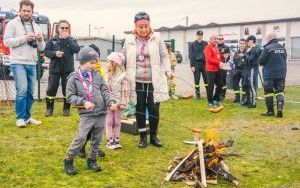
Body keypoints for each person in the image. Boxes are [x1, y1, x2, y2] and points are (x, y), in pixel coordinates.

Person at [122, 11, 173, 148]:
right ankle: (142, 137)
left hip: (154, 81)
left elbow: (164, 56)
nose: (143, 30)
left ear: (149, 25)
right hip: (136, 80)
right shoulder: (129, 40)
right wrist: (117, 71)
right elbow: (123, 57)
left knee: (154, 109)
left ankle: (154, 136)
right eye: (140, 27)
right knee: (139, 108)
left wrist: (168, 70)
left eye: (146, 26)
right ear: (135, 26)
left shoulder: (157, 37)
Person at [63, 46, 117, 175]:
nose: (95, 65)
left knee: (97, 140)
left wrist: (110, 101)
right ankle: (68, 159)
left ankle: (92, 160)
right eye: (92, 63)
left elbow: (105, 90)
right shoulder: (74, 77)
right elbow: (69, 97)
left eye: (96, 62)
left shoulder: (97, 75)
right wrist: (83, 102)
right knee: (81, 138)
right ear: (83, 62)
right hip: (87, 115)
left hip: (101, 113)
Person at [4, 0, 45, 127]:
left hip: (32, 62)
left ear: (32, 12)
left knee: (30, 91)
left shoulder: (36, 26)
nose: (26, 13)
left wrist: (39, 39)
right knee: (22, 90)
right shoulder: (12, 24)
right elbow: (7, 42)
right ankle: (19, 118)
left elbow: (42, 47)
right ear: (20, 10)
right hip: (18, 62)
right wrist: (24, 38)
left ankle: (27, 117)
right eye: (24, 10)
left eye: (29, 11)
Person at [44, 19, 80, 117]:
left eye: (66, 28)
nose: (64, 29)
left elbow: (77, 49)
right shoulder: (53, 39)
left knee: (67, 90)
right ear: (58, 29)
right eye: (62, 27)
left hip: (68, 69)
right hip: (54, 69)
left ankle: (66, 109)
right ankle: (49, 109)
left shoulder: (72, 40)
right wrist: (55, 54)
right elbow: (46, 52)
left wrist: (67, 39)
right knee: (51, 89)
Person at [78, 44, 106, 158]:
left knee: (97, 130)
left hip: (99, 105)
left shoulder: (98, 69)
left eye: (98, 58)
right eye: (94, 59)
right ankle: (81, 147)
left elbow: (103, 83)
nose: (96, 61)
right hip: (88, 106)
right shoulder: (83, 72)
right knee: (87, 129)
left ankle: (95, 148)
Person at [258, 33, 287, 117]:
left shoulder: (267, 48)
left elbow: (261, 61)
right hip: (281, 74)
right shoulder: (283, 48)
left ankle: (270, 111)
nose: (266, 40)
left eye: (267, 38)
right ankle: (280, 110)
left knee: (268, 92)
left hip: (269, 74)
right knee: (280, 91)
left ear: (270, 38)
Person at [106, 52, 130, 149]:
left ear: (115, 63)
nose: (107, 64)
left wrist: (121, 104)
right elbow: (104, 89)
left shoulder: (123, 76)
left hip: (118, 104)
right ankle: (110, 141)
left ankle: (116, 140)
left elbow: (125, 91)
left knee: (117, 122)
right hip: (108, 103)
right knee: (109, 121)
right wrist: (108, 101)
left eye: (109, 62)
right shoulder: (107, 74)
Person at [188, 30, 208, 99]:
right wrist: (192, 66)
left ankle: (208, 94)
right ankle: (198, 95)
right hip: (196, 64)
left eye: (201, 35)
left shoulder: (206, 43)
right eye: (199, 35)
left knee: (206, 80)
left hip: (204, 63)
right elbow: (191, 56)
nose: (200, 36)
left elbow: (208, 54)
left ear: (202, 36)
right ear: (196, 36)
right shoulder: (192, 44)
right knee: (197, 80)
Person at [204, 34, 222, 107]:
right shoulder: (208, 47)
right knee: (210, 86)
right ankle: (210, 101)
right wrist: (219, 62)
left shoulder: (216, 47)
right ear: (210, 39)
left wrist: (221, 60)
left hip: (217, 69)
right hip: (210, 70)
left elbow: (218, 57)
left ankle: (215, 99)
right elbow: (209, 59)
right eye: (214, 38)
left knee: (220, 84)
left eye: (217, 39)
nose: (216, 40)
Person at [245, 35, 262, 108]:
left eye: (247, 41)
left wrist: (246, 53)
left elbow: (250, 59)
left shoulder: (255, 49)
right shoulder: (253, 48)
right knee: (251, 85)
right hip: (251, 69)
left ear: (251, 40)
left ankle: (253, 103)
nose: (247, 43)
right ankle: (250, 101)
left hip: (253, 69)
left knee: (252, 85)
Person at [232, 39, 247, 103]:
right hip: (237, 70)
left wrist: (244, 56)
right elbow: (234, 61)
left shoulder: (247, 52)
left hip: (244, 69)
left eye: (243, 43)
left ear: (245, 44)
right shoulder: (236, 52)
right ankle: (237, 98)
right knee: (235, 83)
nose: (241, 45)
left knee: (244, 84)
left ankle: (244, 98)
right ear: (239, 44)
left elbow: (249, 60)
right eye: (240, 43)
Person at [217, 34, 230, 101]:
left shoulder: (226, 47)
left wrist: (223, 60)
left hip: (223, 67)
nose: (221, 40)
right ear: (217, 39)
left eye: (222, 39)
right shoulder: (215, 47)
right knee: (217, 81)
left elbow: (228, 58)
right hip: (216, 67)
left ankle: (222, 95)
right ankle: (218, 94)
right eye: (219, 39)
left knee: (223, 81)